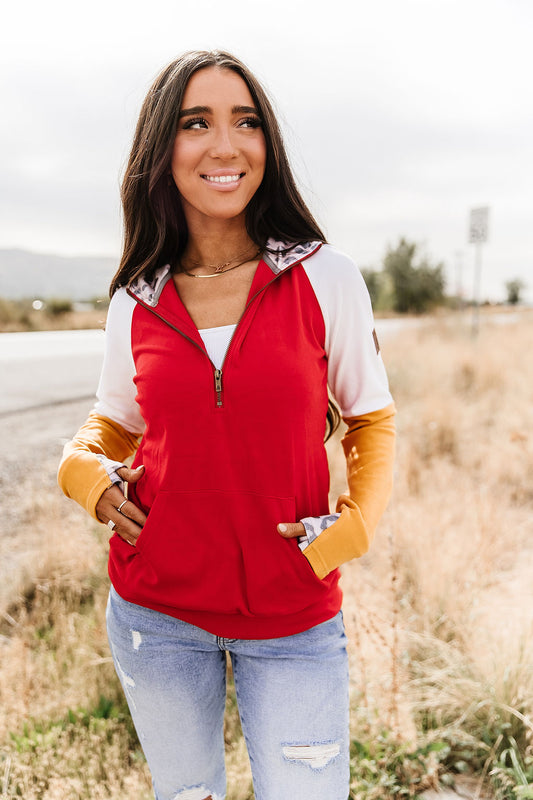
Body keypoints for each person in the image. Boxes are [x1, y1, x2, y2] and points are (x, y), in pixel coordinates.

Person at [58, 50, 395, 800]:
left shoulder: (323, 276)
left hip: (292, 612)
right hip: (155, 615)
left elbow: (370, 416)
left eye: (245, 122)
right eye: (195, 123)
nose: (225, 145)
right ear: (162, 148)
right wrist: (79, 469)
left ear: (266, 143)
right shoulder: (136, 298)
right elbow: (113, 420)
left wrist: (358, 523)